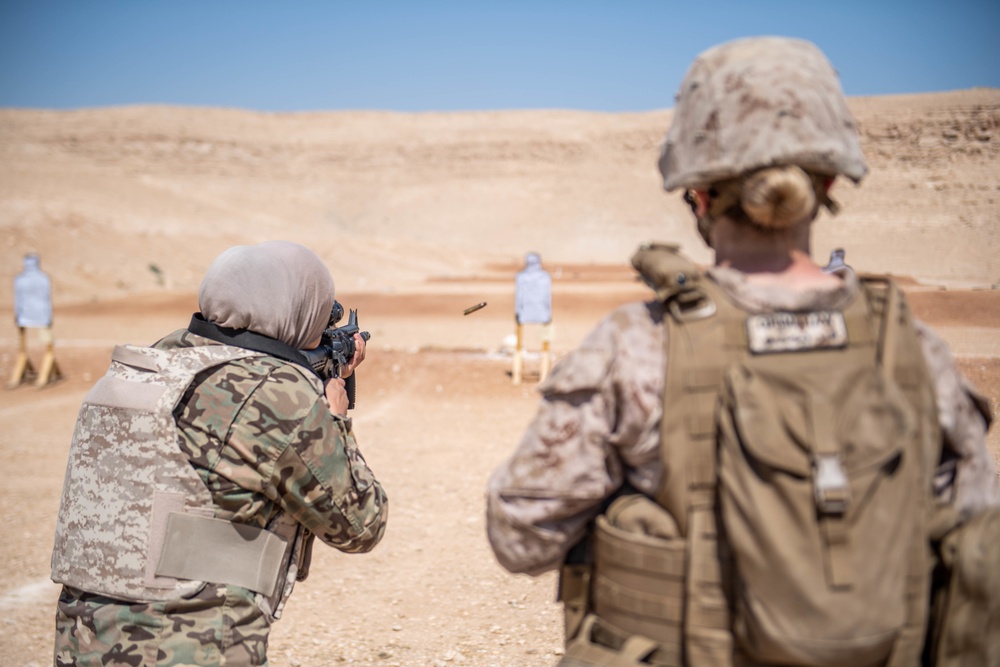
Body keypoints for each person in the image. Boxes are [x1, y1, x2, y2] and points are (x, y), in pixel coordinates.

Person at [486, 37, 998, 666]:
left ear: (697, 191)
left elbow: (520, 537)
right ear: (829, 179)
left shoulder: (639, 344)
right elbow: (975, 526)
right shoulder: (912, 347)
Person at [51, 240, 388, 666]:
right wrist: (335, 416)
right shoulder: (279, 396)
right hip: (192, 646)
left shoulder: (149, 367)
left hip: (80, 640)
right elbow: (362, 524)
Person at [8, 253, 61, 387]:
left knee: (25, 350)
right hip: (42, 317)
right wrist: (47, 318)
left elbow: (19, 301)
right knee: (48, 348)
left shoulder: (19, 280)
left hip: (24, 317)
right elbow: (45, 299)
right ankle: (43, 376)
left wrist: (18, 316)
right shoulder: (43, 279)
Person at [512, 252, 554, 384]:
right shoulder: (545, 277)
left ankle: (516, 377)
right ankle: (543, 377)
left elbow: (518, 297)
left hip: (524, 313)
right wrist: (549, 314)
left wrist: (518, 313)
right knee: (545, 347)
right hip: (543, 313)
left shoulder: (521, 277)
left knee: (518, 348)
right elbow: (548, 297)